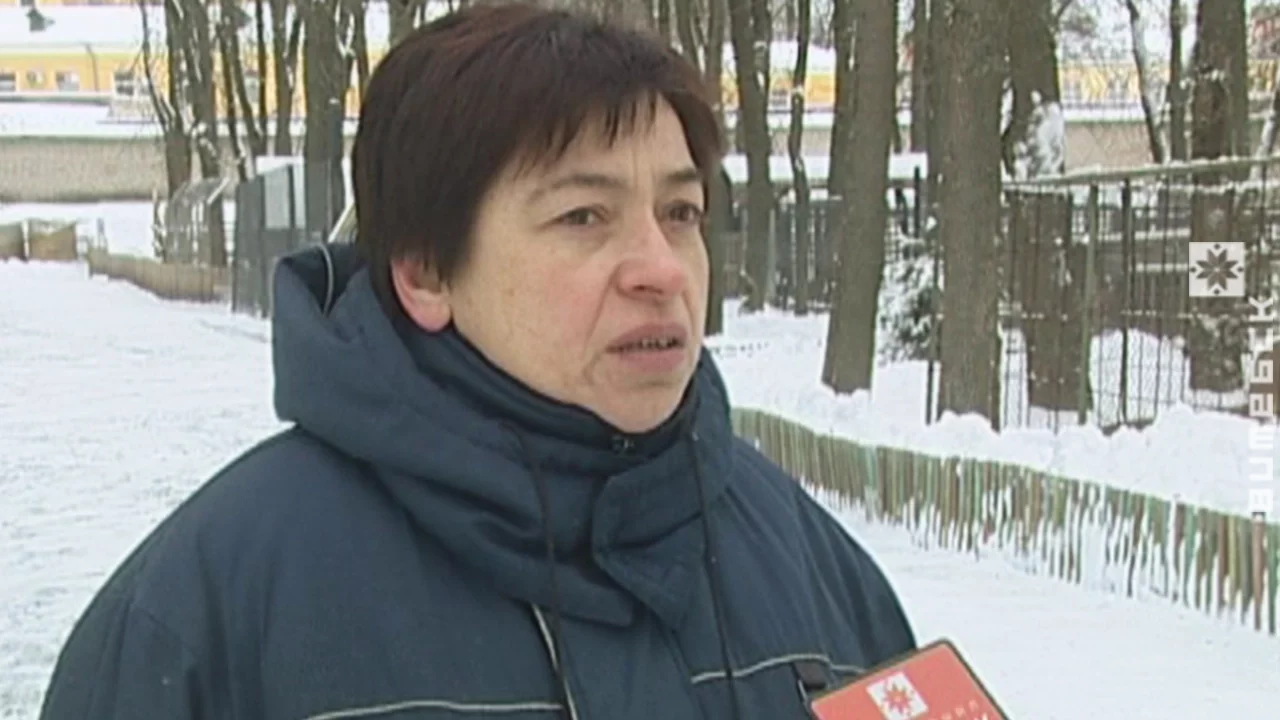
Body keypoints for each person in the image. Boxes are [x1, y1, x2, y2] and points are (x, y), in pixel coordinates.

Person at [39, 4, 916, 719]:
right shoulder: (208, 615)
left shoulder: (813, 565)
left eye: (680, 213)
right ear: (426, 272)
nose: (662, 269)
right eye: (584, 217)